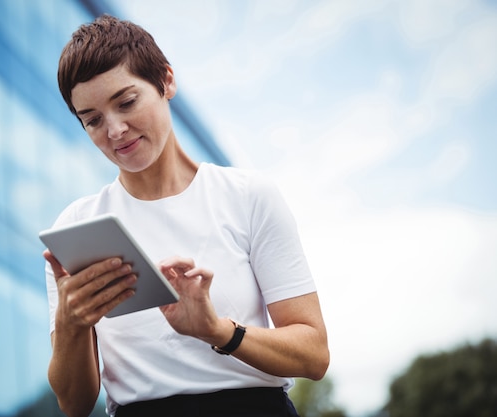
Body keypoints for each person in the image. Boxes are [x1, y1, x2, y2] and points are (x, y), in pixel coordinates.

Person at [44, 14, 329, 417]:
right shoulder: (76, 226)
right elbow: (73, 404)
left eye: (126, 102)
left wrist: (216, 330)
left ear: (166, 81)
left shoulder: (248, 196)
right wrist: (71, 324)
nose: (115, 130)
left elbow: (313, 355)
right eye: (92, 120)